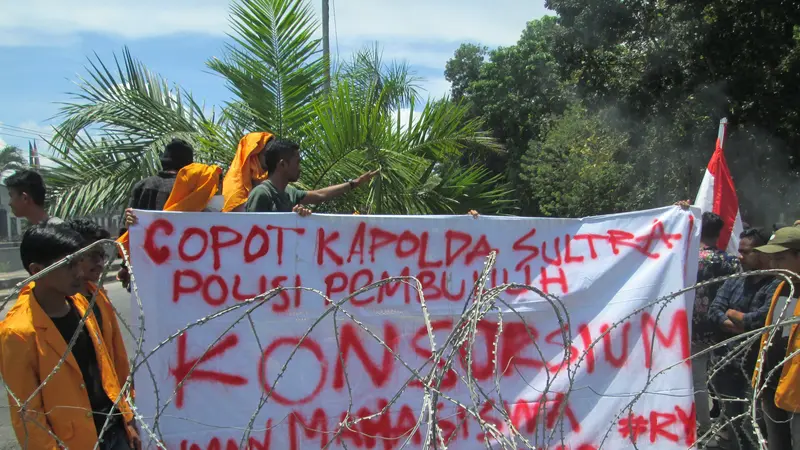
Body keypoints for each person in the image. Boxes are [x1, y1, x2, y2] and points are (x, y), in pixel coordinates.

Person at [0, 225, 138, 449]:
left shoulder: (83, 304)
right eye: (68, 265)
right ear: (37, 270)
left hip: (113, 428)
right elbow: (27, 415)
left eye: (78, 263)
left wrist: (127, 417)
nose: (78, 272)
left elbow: (106, 368)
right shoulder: (19, 332)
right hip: (71, 442)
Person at [708, 227, 777, 450]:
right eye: (740, 251)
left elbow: (762, 319)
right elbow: (715, 310)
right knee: (735, 421)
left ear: (763, 253)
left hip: (756, 364)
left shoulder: (776, 284)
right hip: (726, 361)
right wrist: (738, 322)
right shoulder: (736, 281)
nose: (740, 256)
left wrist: (734, 315)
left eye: (746, 252)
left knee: (755, 423)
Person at [117, 138, 195, 289]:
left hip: (147, 266)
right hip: (187, 271)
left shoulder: (143, 186)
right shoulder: (196, 189)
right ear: (189, 163)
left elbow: (129, 231)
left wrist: (125, 266)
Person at [692, 210, 742, 440]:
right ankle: (728, 423)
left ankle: (704, 426)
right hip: (723, 328)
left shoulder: (691, 261)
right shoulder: (731, 262)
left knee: (698, 380)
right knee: (721, 379)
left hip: (695, 329)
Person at [752, 226, 800, 450]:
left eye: (780, 258)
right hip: (773, 385)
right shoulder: (784, 287)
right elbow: (776, 334)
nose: (774, 266)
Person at [245, 139, 378, 214]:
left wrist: (354, 183)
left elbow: (320, 195)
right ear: (282, 164)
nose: (299, 168)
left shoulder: (289, 193)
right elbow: (251, 237)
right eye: (297, 163)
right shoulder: (261, 194)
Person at [117, 163, 222, 255]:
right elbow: (140, 253)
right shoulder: (163, 226)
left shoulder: (226, 221)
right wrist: (134, 228)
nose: (219, 195)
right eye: (214, 191)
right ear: (197, 194)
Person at [222, 132, 273, 212]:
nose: (272, 158)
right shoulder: (234, 186)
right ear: (253, 155)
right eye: (267, 154)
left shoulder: (273, 179)